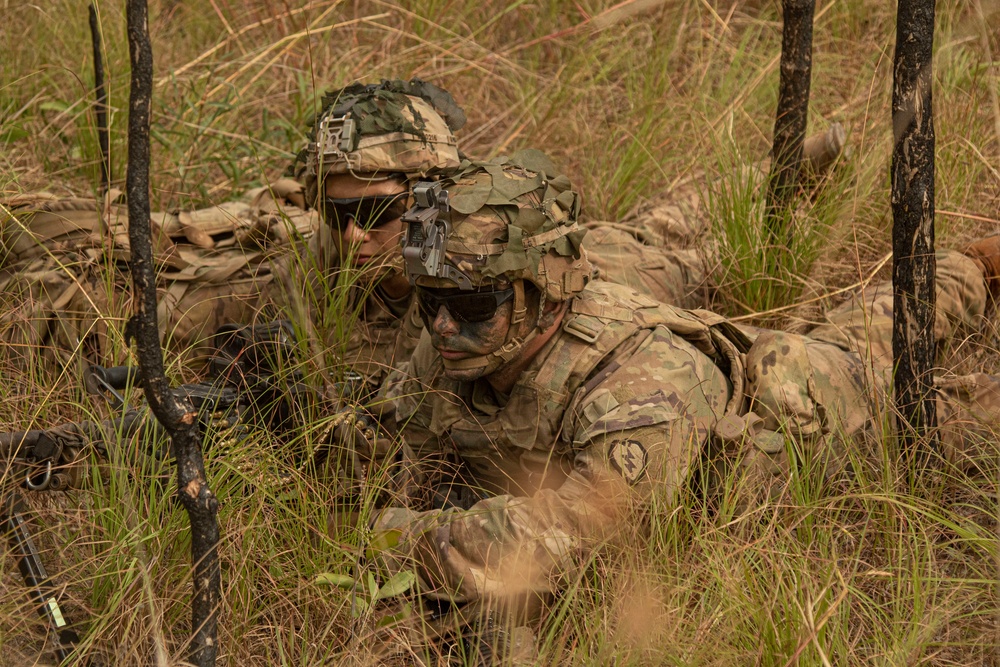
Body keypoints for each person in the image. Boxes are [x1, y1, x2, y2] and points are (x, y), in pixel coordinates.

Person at [367, 158, 1000, 649]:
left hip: (801, 412)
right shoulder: (455, 336)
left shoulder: (639, 382)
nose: (444, 325)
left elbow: (572, 538)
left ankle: (971, 269)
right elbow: (399, 437)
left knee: (906, 370)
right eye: (430, 301)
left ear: (546, 295)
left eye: (474, 306)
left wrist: (398, 540)